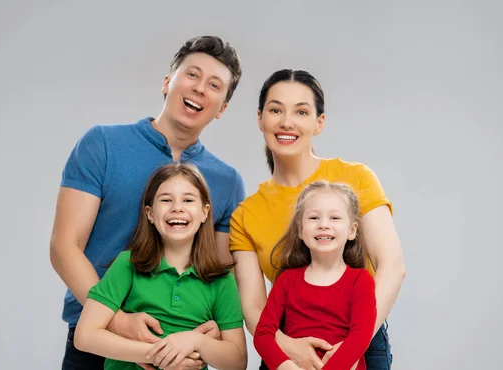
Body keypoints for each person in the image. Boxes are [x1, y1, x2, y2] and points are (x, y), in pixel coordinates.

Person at [50, 35, 245, 369]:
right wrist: (119, 322)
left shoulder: (227, 181)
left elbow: (216, 269)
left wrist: (210, 335)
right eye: (192, 75)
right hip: (97, 340)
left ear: (222, 108)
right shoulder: (103, 144)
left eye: (214, 85)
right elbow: (64, 246)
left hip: (181, 350)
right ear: (168, 82)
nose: (200, 88)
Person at [230, 69, 405, 370]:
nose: (287, 121)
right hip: (283, 349)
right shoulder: (246, 215)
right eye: (275, 110)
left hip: (358, 344)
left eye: (301, 111)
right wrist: (287, 350)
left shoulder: (356, 178)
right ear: (260, 118)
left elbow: (392, 267)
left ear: (319, 122)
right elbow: (254, 306)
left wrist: (350, 347)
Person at [74, 163, 247, 370]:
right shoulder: (127, 265)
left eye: (188, 200)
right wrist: (155, 354)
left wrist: (195, 341)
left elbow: (237, 361)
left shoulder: (220, 279)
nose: (177, 207)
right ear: (150, 214)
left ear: (204, 212)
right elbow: (85, 336)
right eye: (166, 200)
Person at [253, 181, 376, 370]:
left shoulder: (361, 281)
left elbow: (360, 337)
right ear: (301, 230)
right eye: (313, 218)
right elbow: (263, 334)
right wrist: (287, 367)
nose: (323, 225)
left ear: (352, 230)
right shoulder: (286, 280)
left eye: (334, 217)